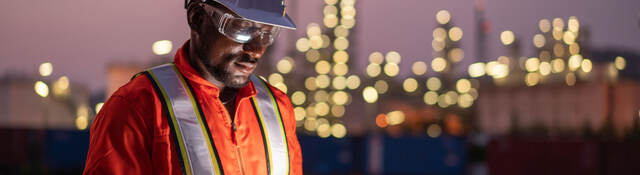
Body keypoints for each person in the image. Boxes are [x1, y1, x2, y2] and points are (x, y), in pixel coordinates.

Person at [83, 0, 302, 174]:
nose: (256, 50)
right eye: (242, 29)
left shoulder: (278, 108)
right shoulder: (138, 108)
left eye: (266, 34)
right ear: (197, 18)